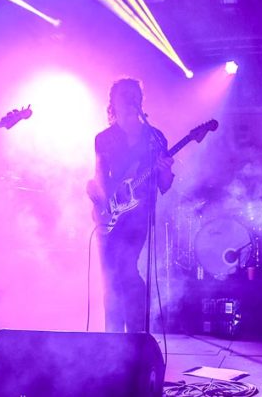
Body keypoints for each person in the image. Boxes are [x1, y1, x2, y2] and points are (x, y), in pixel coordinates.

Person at [91, 77, 174, 333]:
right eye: (124, 95)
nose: (130, 99)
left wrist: (165, 170)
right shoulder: (104, 139)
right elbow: (99, 176)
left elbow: (165, 184)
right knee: (110, 278)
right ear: (113, 102)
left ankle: (136, 335)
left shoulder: (155, 138)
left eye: (134, 94)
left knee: (126, 267)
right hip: (110, 216)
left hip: (139, 217)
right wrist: (102, 207)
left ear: (141, 100)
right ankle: (113, 339)